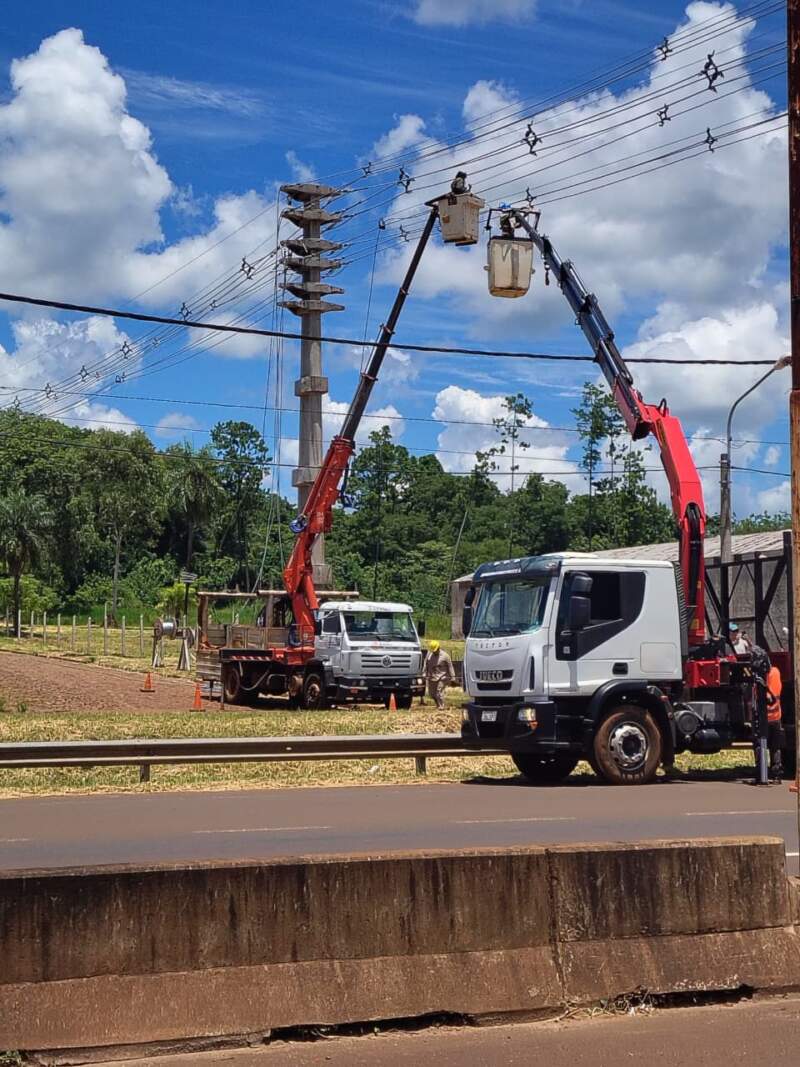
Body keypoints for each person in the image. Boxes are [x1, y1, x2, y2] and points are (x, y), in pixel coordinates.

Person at [766, 662, 784, 782]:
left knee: (760, 746)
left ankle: (761, 771)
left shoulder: (760, 676)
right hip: (776, 716)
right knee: (775, 746)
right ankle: (776, 771)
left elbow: (767, 697)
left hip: (764, 717)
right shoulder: (776, 672)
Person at [424, 639, 455, 710]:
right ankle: (438, 704)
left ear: (439, 648)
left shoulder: (445, 656)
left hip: (442, 677)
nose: (434, 652)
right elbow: (426, 664)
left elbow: (450, 666)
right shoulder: (429, 655)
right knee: (432, 694)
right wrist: (424, 672)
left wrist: (453, 677)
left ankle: (442, 706)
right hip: (432, 676)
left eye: (436, 650)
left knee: (439, 691)